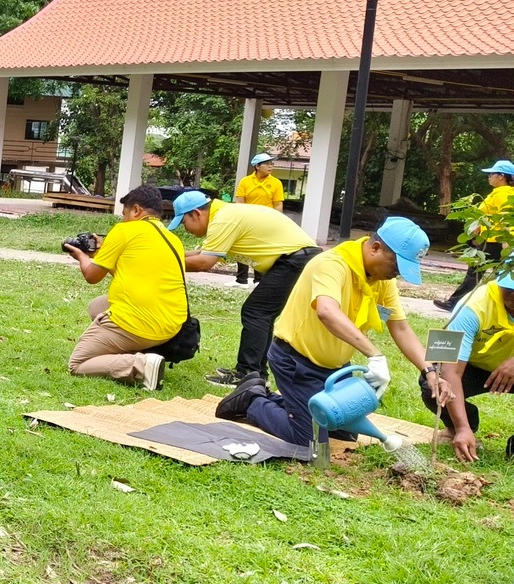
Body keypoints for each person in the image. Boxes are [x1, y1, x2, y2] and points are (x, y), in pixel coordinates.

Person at [215, 217, 444, 452]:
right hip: (295, 361)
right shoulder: (332, 264)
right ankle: (252, 401)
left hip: (335, 367)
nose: (396, 275)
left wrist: (429, 371)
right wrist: (375, 355)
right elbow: (327, 311)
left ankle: (280, 401)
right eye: (395, 267)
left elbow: (401, 327)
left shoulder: (380, 279)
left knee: (344, 432)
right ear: (375, 248)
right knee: (310, 440)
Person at [170, 189, 318, 387]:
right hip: (297, 258)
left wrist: (166, 264)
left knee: (256, 311)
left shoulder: (224, 218)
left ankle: (247, 372)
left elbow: (204, 262)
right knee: (260, 313)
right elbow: (201, 252)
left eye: (183, 222)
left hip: (295, 259)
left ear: (197, 213)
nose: (184, 229)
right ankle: (256, 372)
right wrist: (168, 253)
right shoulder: (223, 215)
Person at [62, 185, 188, 391]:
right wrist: (102, 254)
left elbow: (92, 276)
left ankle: (141, 365)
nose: (122, 220)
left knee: (77, 363)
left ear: (136, 210)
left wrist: (81, 256)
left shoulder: (124, 230)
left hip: (138, 321)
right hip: (172, 323)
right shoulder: (174, 240)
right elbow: (132, 271)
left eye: (125, 214)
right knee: (97, 307)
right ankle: (143, 349)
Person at [421, 273, 514, 462]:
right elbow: (452, 371)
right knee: (433, 385)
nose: (512, 295)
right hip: (471, 366)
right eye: (509, 288)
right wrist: (463, 427)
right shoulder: (472, 307)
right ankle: (460, 427)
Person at [437, 160, 514, 311]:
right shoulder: (503, 193)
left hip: (494, 241)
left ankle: (454, 303)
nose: (489, 177)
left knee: (476, 273)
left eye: (492, 174)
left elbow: (504, 218)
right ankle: (500, 308)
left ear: (501, 176)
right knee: (500, 275)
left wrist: (505, 240)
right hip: (497, 241)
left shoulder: (502, 195)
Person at [233, 153, 285, 283]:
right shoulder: (245, 181)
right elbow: (240, 202)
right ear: (257, 166)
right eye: (267, 163)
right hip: (247, 220)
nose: (270, 166)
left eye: (271, 163)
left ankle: (259, 280)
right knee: (242, 248)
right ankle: (241, 280)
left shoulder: (276, 183)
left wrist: (277, 221)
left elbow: (278, 204)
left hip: (266, 221)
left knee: (261, 250)